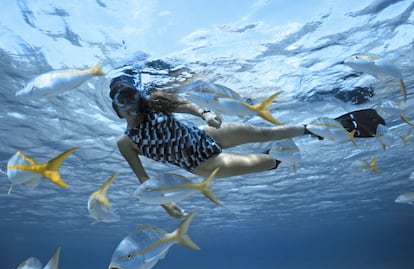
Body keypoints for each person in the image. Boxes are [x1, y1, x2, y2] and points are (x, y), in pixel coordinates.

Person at [109, 66, 385, 217]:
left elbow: (185, 107)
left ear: (138, 96)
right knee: (264, 163)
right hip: (202, 163)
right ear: (116, 107)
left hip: (205, 135)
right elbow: (144, 179)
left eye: (131, 96)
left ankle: (318, 129)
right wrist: (166, 203)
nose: (129, 104)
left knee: (264, 131)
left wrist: (205, 113)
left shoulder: (156, 106)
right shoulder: (126, 141)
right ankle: (281, 155)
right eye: (122, 100)